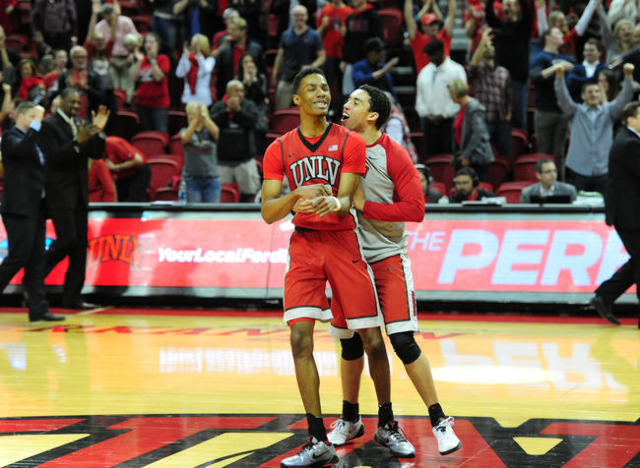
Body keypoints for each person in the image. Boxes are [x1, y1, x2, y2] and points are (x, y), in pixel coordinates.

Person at [261, 68, 388, 467]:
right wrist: (295, 195)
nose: (322, 93)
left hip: (342, 240)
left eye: (325, 88)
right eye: (312, 88)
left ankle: (386, 421)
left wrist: (333, 201)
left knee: (371, 339)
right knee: (300, 339)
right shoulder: (278, 149)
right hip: (303, 245)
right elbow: (267, 212)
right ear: (296, 99)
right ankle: (317, 440)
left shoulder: (349, 140)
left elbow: (348, 196)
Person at [327, 84, 461, 458]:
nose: (345, 105)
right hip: (348, 256)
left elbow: (416, 209)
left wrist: (366, 207)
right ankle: (350, 417)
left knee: (403, 341)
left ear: (372, 116)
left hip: (386, 256)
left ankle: (439, 421)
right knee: (350, 342)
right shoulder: (335, 145)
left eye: (354, 102)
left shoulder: (393, 155)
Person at [40, 88, 109, 310]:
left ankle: (73, 298)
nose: (74, 105)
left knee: (80, 247)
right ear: (60, 101)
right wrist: (76, 143)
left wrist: (97, 131)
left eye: (78, 102)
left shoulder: (80, 124)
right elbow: (54, 158)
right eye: (71, 101)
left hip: (80, 193)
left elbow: (96, 154)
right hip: (59, 193)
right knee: (67, 240)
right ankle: (34, 276)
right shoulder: (48, 125)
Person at [0, 101, 64, 322]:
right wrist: (37, 124)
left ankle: (38, 309)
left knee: (36, 260)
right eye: (32, 117)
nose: (37, 121)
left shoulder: (35, 141)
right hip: (18, 209)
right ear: (20, 117)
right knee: (19, 256)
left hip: (36, 208)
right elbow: (22, 149)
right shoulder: (10, 137)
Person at [589, 102, 640, 328]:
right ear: (630, 119)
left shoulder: (629, 141)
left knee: (638, 260)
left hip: (630, 213)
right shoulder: (629, 143)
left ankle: (604, 296)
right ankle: (604, 296)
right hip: (631, 215)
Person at [555, 62, 635, 195]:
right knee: (576, 209)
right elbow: (562, 97)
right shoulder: (575, 111)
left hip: (603, 169)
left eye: (597, 91)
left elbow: (625, 98)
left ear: (601, 94)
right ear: (583, 96)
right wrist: (559, 77)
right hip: (578, 168)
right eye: (590, 92)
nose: (594, 94)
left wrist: (628, 77)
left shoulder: (609, 111)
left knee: (606, 208)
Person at [209, 79, 267, 202]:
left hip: (245, 161)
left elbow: (255, 124)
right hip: (222, 162)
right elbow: (211, 126)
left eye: (242, 91)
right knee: (222, 197)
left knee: (251, 194)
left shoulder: (249, 106)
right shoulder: (219, 106)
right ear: (228, 92)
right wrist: (227, 112)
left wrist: (239, 112)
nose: (240, 94)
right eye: (236, 91)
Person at [530, 27, 575, 169]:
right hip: (545, 111)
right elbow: (535, 76)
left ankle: (560, 186)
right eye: (558, 32)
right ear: (548, 37)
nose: (562, 34)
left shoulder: (566, 58)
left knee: (559, 153)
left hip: (562, 111)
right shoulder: (540, 57)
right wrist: (557, 68)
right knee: (544, 154)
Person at [485, 0, 532, 131]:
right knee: (500, 118)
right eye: (505, 4)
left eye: (511, 4)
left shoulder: (523, 27)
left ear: (517, 7)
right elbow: (489, 15)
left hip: (519, 79)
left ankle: (522, 145)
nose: (507, 7)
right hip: (501, 81)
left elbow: (528, 14)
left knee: (519, 118)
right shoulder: (498, 26)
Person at [416, 39, 467, 158]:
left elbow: (460, 97)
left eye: (431, 54)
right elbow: (420, 99)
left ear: (440, 52)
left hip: (449, 121)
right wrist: (427, 114)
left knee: (449, 156)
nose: (429, 57)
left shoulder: (456, 70)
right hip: (429, 121)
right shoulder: (425, 72)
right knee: (432, 156)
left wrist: (444, 114)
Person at [468, 28, 513, 160]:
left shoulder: (503, 71)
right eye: (485, 47)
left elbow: (509, 95)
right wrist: (482, 42)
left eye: (491, 45)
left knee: (506, 155)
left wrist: (508, 114)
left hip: (501, 120)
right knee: (481, 156)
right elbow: (472, 66)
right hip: (483, 119)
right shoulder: (478, 69)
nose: (489, 48)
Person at [271, 5, 325, 110]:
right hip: (288, 76)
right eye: (297, 15)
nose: (299, 18)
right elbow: (280, 57)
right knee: (281, 108)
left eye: (302, 15)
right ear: (292, 17)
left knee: (310, 110)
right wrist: (275, 74)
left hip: (307, 79)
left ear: (306, 17)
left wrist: (310, 66)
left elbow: (322, 57)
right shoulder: (285, 35)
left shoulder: (314, 35)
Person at [448, 78, 494, 181]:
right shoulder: (462, 107)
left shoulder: (474, 107)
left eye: (451, 93)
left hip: (475, 156)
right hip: (465, 154)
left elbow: (478, 133)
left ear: (456, 93)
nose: (450, 96)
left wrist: (466, 155)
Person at [180, 102, 220, 203]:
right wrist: (194, 123)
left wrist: (204, 119)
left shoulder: (210, 130)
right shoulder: (184, 131)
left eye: (195, 113)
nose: (192, 116)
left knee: (212, 214)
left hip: (211, 178)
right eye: (190, 114)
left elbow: (216, 133)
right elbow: (184, 139)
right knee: (194, 215)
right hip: (192, 179)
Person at [404, 0, 456, 74]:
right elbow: (408, 18)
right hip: (425, 80)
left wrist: (434, 4)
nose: (434, 27)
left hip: (445, 78)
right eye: (430, 24)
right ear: (423, 27)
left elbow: (452, 15)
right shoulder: (417, 39)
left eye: (435, 23)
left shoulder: (444, 36)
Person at [132, 33, 170, 133]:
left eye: (152, 42)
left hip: (159, 105)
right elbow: (134, 78)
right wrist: (139, 61)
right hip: (142, 104)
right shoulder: (142, 60)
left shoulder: (163, 59)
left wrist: (152, 61)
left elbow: (158, 78)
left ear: (158, 46)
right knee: (146, 134)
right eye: (147, 42)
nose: (149, 45)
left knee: (160, 133)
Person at [103, 136, 151, 202]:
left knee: (134, 202)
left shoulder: (113, 143)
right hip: (122, 175)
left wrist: (116, 167)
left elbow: (138, 160)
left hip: (139, 171)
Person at [176, 34, 216, 106]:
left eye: (195, 43)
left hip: (203, 99)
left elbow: (206, 70)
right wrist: (184, 56)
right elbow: (179, 74)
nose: (192, 45)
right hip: (188, 98)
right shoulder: (188, 58)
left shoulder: (209, 60)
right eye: (192, 43)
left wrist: (199, 56)